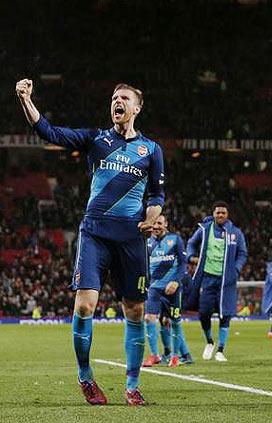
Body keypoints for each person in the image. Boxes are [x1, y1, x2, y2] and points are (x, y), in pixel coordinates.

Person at [16, 79, 164, 405]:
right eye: (113, 97)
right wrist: (26, 99)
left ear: (136, 107)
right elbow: (49, 132)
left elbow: (157, 195)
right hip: (95, 231)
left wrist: (152, 219)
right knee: (84, 305)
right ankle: (85, 377)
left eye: (124, 98)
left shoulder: (151, 150)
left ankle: (132, 386)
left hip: (130, 237)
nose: (117, 102)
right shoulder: (95, 139)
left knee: (135, 310)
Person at [186, 202, 248, 362]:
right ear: (213, 214)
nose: (220, 215)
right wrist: (191, 256)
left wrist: (235, 269)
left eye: (223, 213)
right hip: (207, 277)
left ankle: (220, 349)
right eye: (218, 212)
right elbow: (191, 243)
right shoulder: (205, 229)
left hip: (226, 280)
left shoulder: (235, 233)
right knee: (204, 312)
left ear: (227, 215)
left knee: (225, 315)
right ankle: (209, 341)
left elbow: (242, 253)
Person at [142, 215, 193, 368]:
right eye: (154, 223)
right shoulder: (147, 242)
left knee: (172, 321)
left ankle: (176, 356)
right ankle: (154, 355)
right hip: (154, 288)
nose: (156, 226)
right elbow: (144, 265)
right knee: (149, 318)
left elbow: (183, 263)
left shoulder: (175, 240)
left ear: (166, 224)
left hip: (173, 288)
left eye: (159, 223)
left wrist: (176, 281)